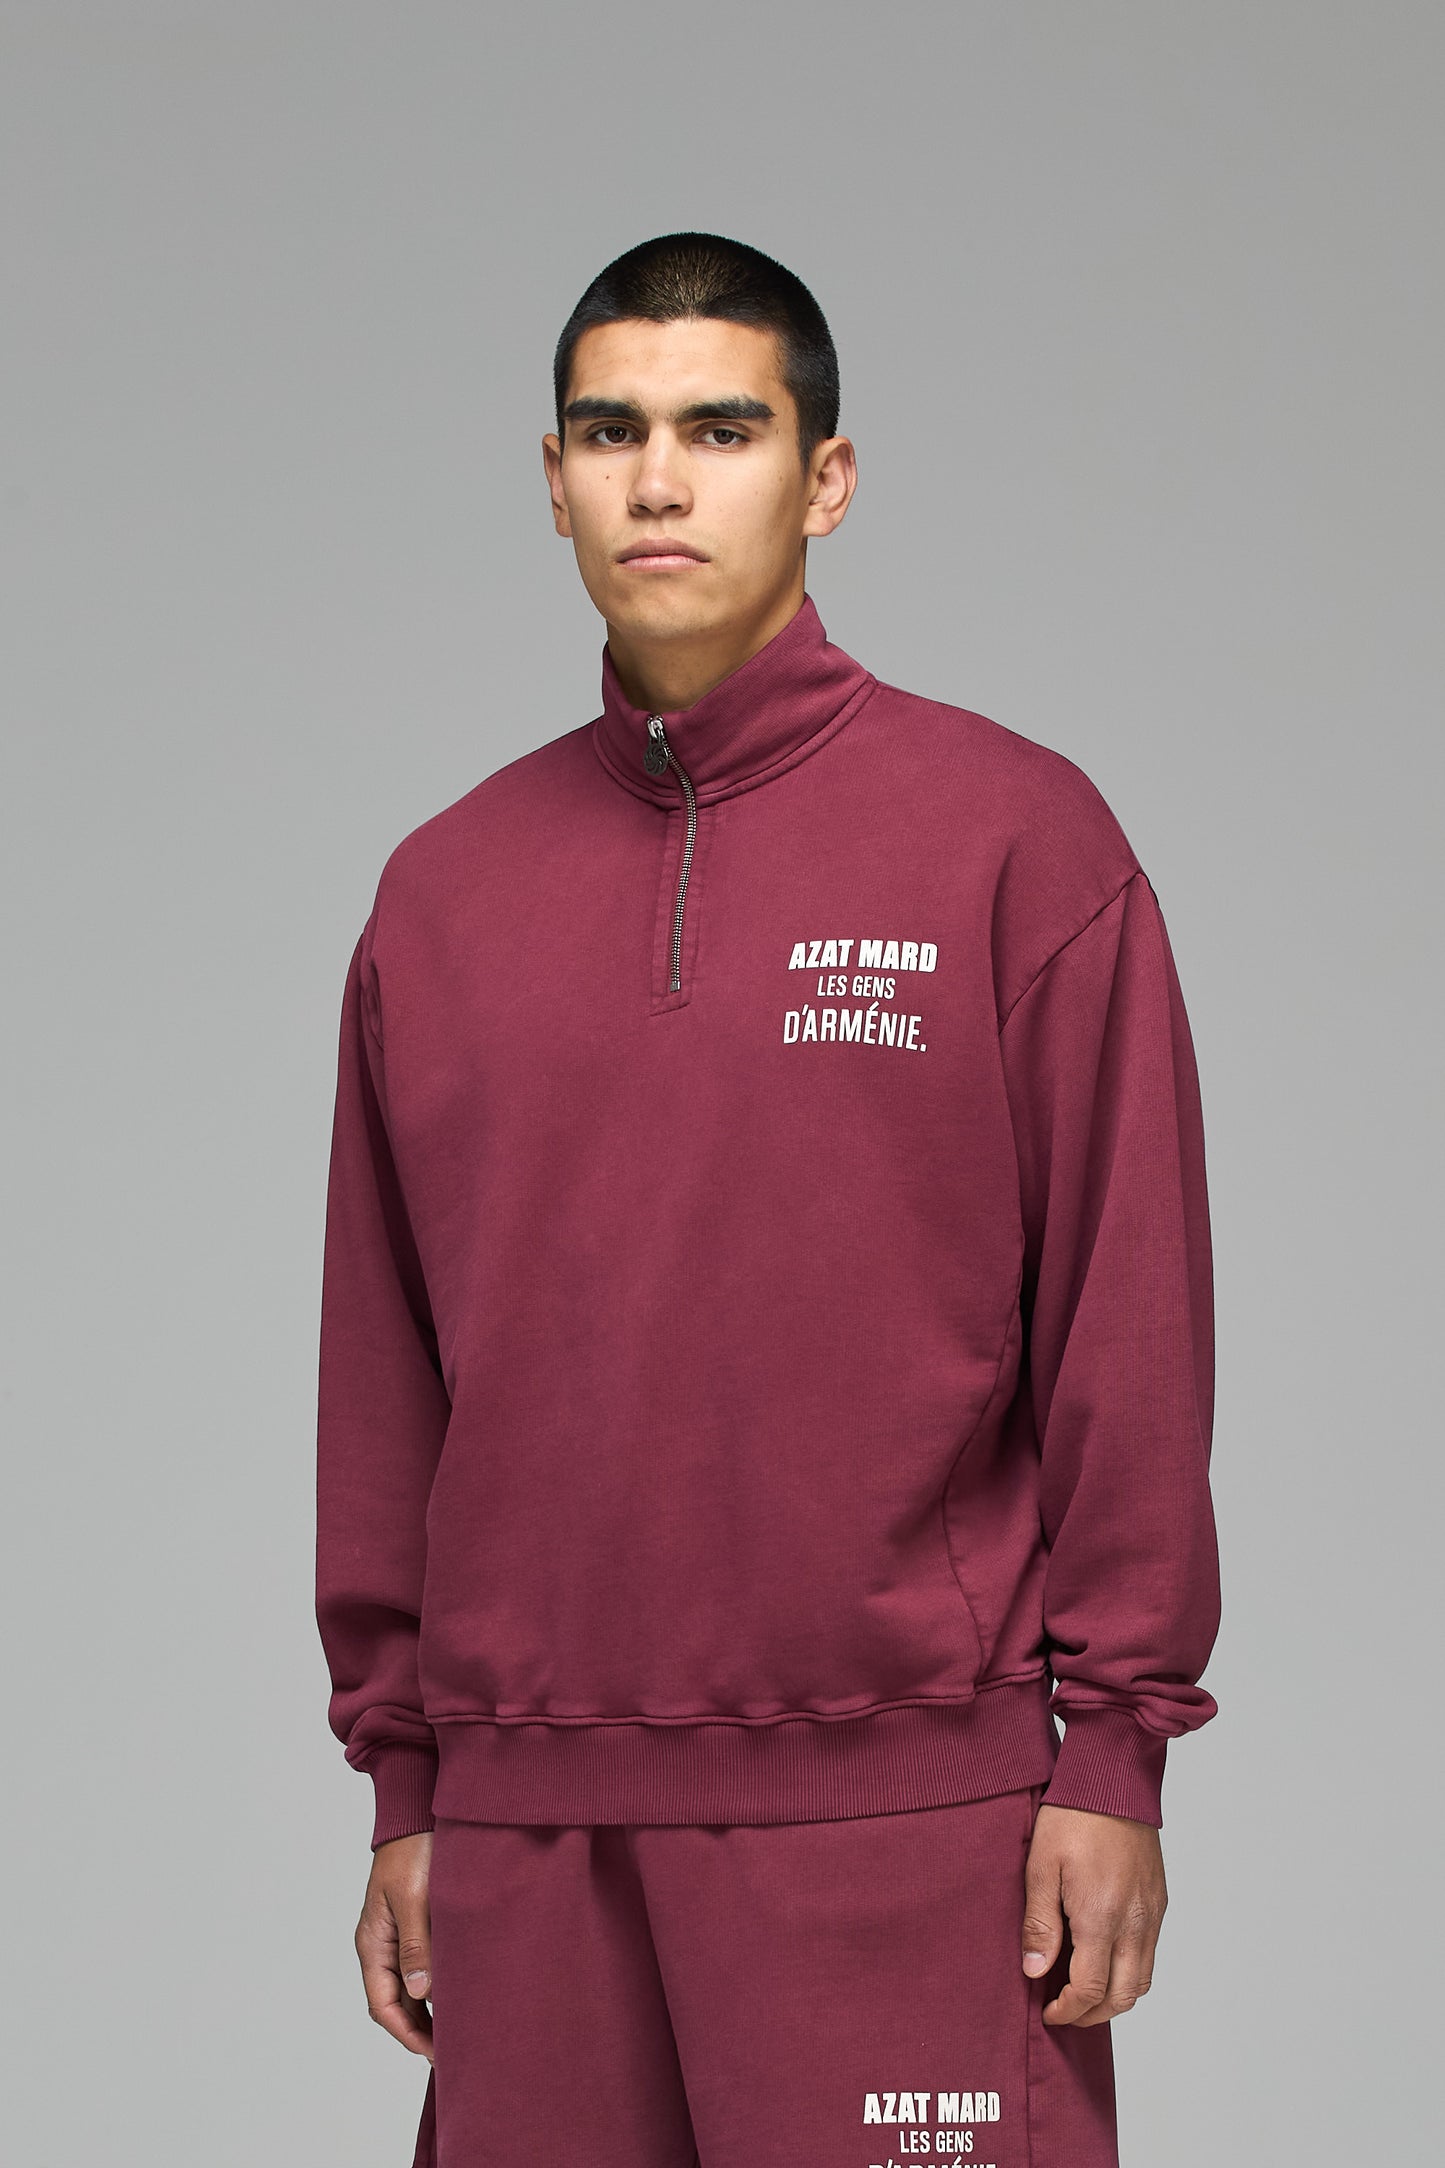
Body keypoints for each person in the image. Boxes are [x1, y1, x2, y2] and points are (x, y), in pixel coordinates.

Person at [314, 230, 1222, 2168]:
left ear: (826, 479)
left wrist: (1116, 1753)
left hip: (912, 1820)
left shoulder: (1015, 842)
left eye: (721, 430)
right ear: (551, 477)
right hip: (527, 1835)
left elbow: (1127, 1326)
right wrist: (409, 1786)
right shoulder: (439, 898)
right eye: (611, 432)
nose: (658, 480)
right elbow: (384, 1383)